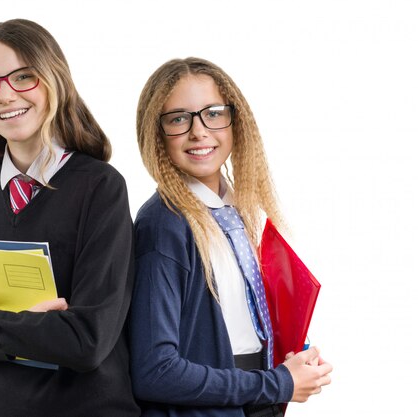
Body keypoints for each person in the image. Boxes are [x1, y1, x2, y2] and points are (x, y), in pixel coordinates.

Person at [0, 19, 139, 417]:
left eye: (23, 77)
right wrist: (24, 326)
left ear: (53, 79)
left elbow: (88, 341)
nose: (4, 95)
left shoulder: (100, 189)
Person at [128, 57, 333, 417]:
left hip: (249, 402)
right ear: (156, 134)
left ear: (235, 120)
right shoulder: (165, 224)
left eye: (214, 113)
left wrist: (290, 357)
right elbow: (154, 371)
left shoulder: (233, 210)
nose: (199, 132)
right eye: (178, 119)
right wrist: (278, 383)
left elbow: (235, 326)